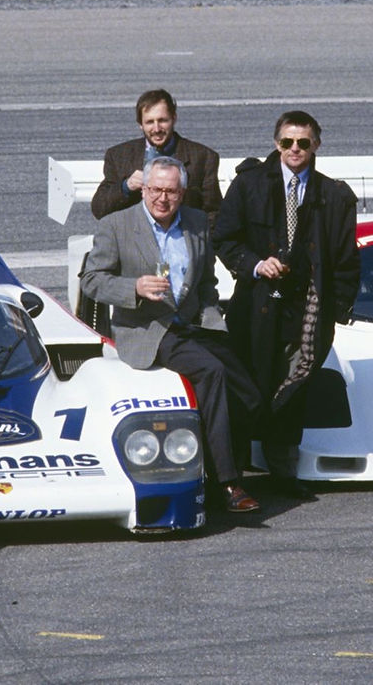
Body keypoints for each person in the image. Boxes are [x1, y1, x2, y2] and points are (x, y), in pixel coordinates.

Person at [81, 156, 262, 513]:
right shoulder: (117, 225)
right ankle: (228, 483)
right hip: (148, 328)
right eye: (155, 190)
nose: (162, 199)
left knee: (249, 392)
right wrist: (133, 287)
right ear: (143, 189)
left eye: (171, 192)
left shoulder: (195, 222)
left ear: (182, 193)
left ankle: (221, 470)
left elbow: (206, 281)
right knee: (211, 372)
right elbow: (92, 280)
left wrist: (214, 320)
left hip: (194, 322)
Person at [213, 111, 358, 500]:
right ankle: (234, 474)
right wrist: (255, 265)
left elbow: (346, 258)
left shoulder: (335, 195)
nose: (295, 149)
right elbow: (223, 238)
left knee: (293, 385)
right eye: (287, 142)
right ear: (277, 143)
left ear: (316, 145)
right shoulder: (248, 185)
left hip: (307, 308)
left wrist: (338, 307)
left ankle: (282, 471)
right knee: (247, 384)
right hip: (256, 304)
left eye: (304, 143)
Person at [91, 89, 223, 224]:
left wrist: (195, 242)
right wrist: (126, 187)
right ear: (140, 124)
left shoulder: (203, 157)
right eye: (149, 122)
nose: (157, 128)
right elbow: (99, 210)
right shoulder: (118, 156)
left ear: (174, 118)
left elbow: (214, 213)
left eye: (162, 120)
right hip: (134, 240)